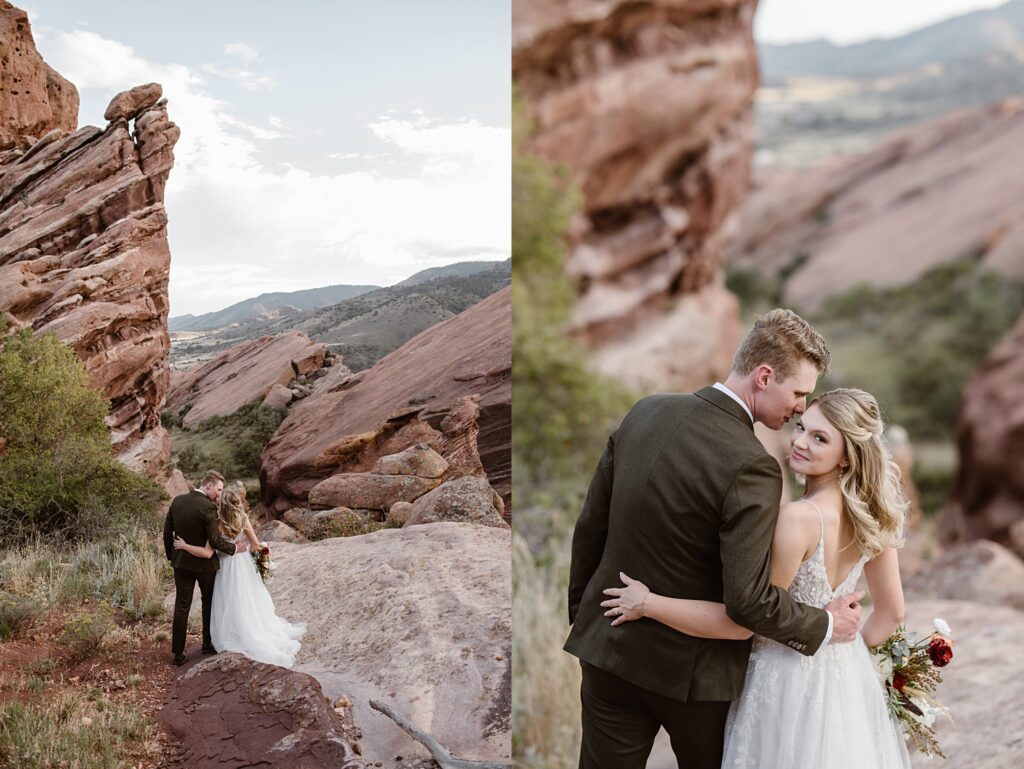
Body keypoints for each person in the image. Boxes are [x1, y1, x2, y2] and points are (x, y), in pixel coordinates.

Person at [564, 309, 864, 769]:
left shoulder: (646, 411)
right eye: (799, 393)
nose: (801, 407)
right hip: (695, 680)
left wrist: (585, 622)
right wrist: (823, 624)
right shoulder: (753, 466)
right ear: (765, 376)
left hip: (608, 652)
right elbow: (749, 602)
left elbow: (590, 530)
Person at [602, 388, 911, 768]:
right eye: (802, 428)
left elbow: (746, 621)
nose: (800, 441)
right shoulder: (874, 517)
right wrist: (844, 656)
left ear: (847, 456)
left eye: (820, 438)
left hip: (782, 680)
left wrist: (647, 603)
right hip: (845, 684)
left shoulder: (798, 519)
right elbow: (892, 613)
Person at [173, 485, 305, 667]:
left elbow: (208, 551)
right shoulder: (243, 519)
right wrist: (262, 559)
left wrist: (184, 546)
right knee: (246, 599)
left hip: (225, 567)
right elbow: (255, 545)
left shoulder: (218, 522)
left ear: (222, 504)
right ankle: (249, 630)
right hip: (243, 565)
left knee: (227, 601)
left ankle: (231, 633)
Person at [164, 469, 247, 666]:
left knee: (181, 606)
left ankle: (178, 653)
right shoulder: (208, 508)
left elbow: (167, 532)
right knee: (208, 602)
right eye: (218, 490)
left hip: (181, 564)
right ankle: (208, 644)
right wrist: (235, 548)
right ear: (208, 485)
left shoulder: (177, 501)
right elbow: (215, 541)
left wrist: (172, 556)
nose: (219, 494)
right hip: (205, 566)